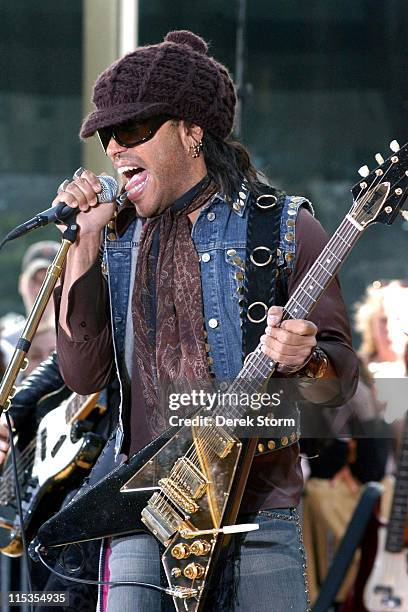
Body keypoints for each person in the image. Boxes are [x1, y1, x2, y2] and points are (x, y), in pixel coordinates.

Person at [52, 30, 358, 612]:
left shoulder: (286, 228)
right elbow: (83, 376)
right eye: (108, 136)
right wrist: (85, 248)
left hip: (257, 516)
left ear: (193, 131)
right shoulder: (113, 239)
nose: (114, 148)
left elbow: (339, 385)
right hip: (143, 510)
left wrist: (306, 358)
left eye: (134, 130)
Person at [1, 240, 59, 376]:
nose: (42, 289)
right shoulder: (4, 344)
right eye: (35, 280)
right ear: (22, 283)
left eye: (50, 280)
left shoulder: (81, 341)